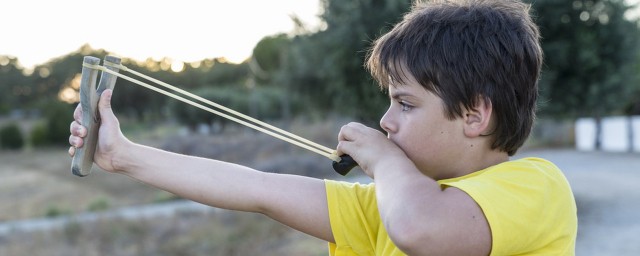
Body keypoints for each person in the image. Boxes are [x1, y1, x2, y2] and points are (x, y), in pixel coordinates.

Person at [69, 0, 577, 255]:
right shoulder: (389, 204)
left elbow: (421, 227)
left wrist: (382, 158)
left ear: (475, 114)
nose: (385, 120)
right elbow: (257, 188)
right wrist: (124, 156)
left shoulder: (535, 186)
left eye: (405, 103)